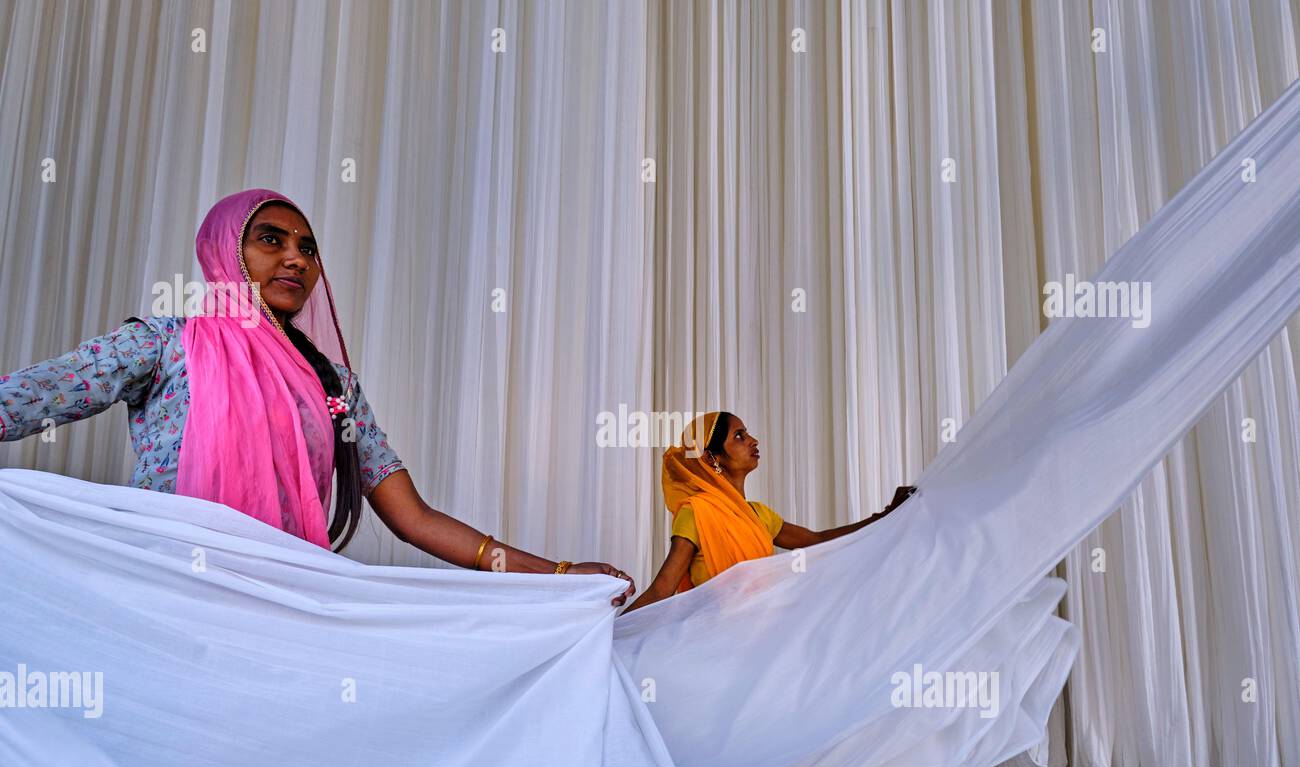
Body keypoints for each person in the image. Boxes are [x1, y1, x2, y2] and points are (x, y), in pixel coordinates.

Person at [0, 188, 635, 604]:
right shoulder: (166, 344)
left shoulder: (333, 385)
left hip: (285, 603)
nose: (296, 259)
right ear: (226, 252)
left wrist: (553, 576)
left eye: (308, 248)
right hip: (166, 596)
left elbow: (413, 519)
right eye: (270, 240)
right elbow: (32, 397)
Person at [622, 410, 912, 613]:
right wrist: (610, 634)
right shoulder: (696, 513)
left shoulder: (759, 515)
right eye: (739, 436)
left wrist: (885, 516)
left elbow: (818, 540)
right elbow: (663, 588)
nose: (753, 440)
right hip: (714, 643)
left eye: (747, 433)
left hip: (766, 637)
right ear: (712, 458)